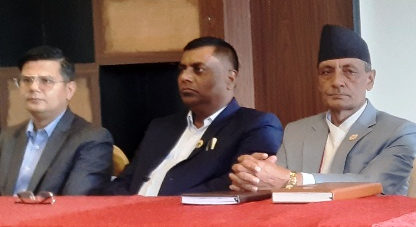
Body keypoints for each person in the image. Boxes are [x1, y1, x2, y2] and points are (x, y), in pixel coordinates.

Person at [229, 24, 416, 195]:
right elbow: (275, 182)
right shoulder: (297, 131)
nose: (336, 82)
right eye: (327, 72)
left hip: (367, 222)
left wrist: (293, 180)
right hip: (301, 221)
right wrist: (254, 176)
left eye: (349, 71)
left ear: (370, 79)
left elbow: (374, 183)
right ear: (319, 81)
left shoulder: (398, 131)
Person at [104, 37, 283, 196]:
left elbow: (240, 184)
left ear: (230, 78)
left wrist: (161, 207)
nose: (185, 77)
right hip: (132, 217)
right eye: (182, 69)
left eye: (198, 69)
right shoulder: (161, 127)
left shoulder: (255, 125)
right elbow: (127, 180)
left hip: (194, 219)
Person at [0, 46, 113, 196]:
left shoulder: (92, 139)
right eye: (26, 80)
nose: (33, 87)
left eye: (46, 81)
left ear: (69, 90)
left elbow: (75, 201)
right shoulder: (6, 137)